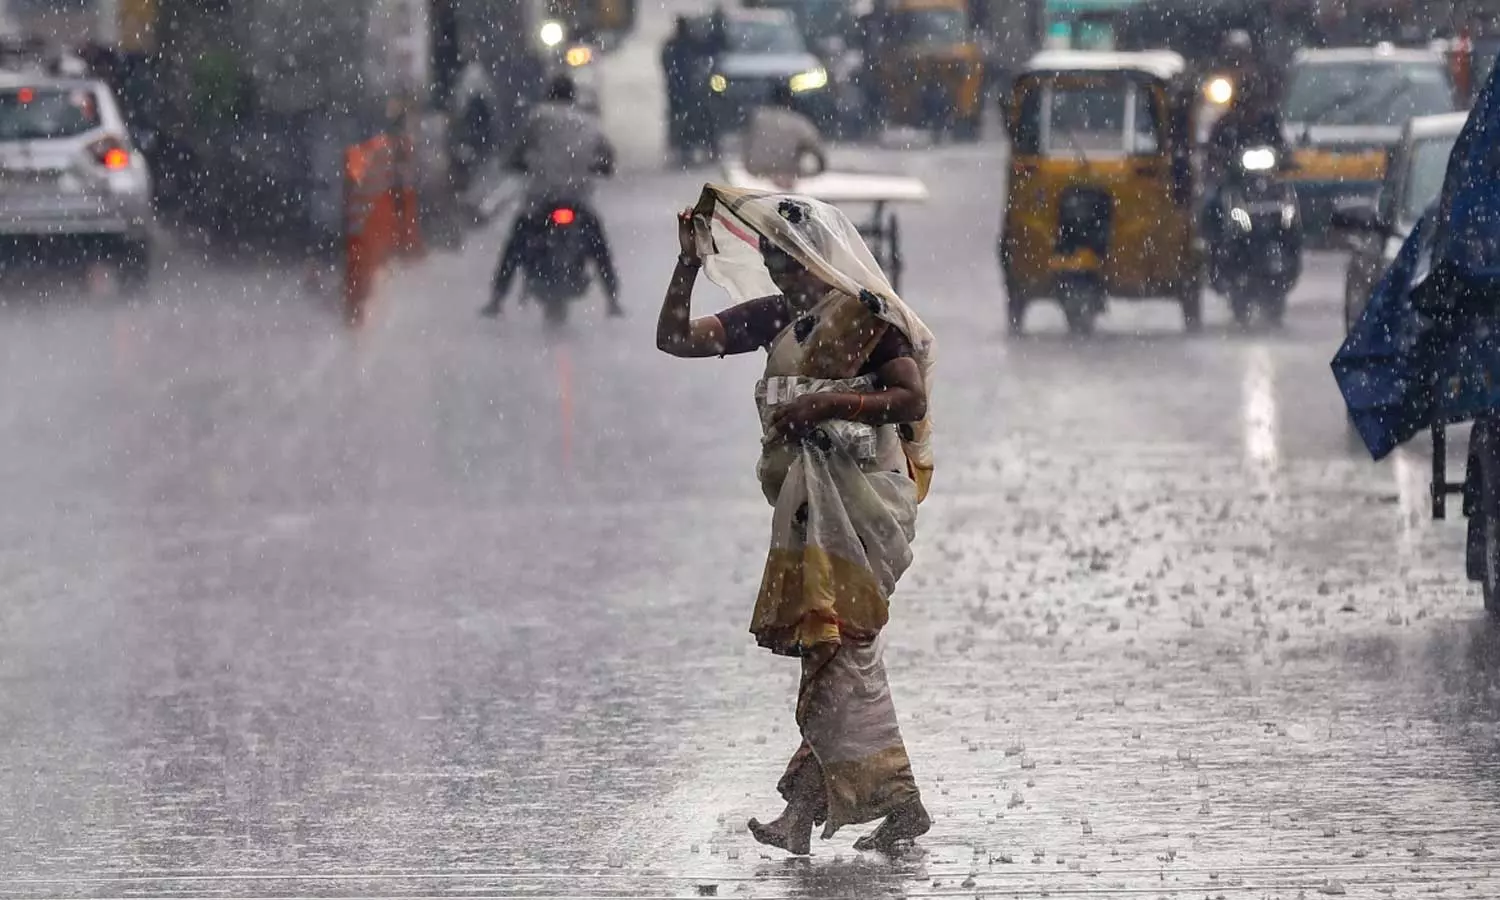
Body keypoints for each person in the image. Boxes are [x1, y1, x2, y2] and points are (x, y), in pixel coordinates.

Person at [656, 186, 937, 856]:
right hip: (810, 509)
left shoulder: (867, 318)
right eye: (774, 261)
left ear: (820, 257)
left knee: (835, 651)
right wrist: (689, 262)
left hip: (864, 507)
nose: (783, 274)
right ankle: (887, 806)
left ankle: (816, 813)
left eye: (792, 261)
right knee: (835, 654)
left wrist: (828, 405)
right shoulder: (777, 318)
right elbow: (674, 339)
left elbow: (908, 395)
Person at [482, 74, 621, 317]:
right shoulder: (587, 121)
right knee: (598, 241)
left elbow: (518, 150)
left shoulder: (538, 117)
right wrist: (601, 167)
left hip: (542, 197)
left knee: (516, 241)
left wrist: (514, 163)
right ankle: (612, 298)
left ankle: (497, 298)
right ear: (572, 96)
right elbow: (607, 154)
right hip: (578, 198)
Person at [744, 83, 826, 180]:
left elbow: (745, 144)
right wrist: (818, 169)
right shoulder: (798, 123)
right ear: (789, 100)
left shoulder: (756, 119)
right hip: (785, 173)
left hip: (754, 172)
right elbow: (817, 150)